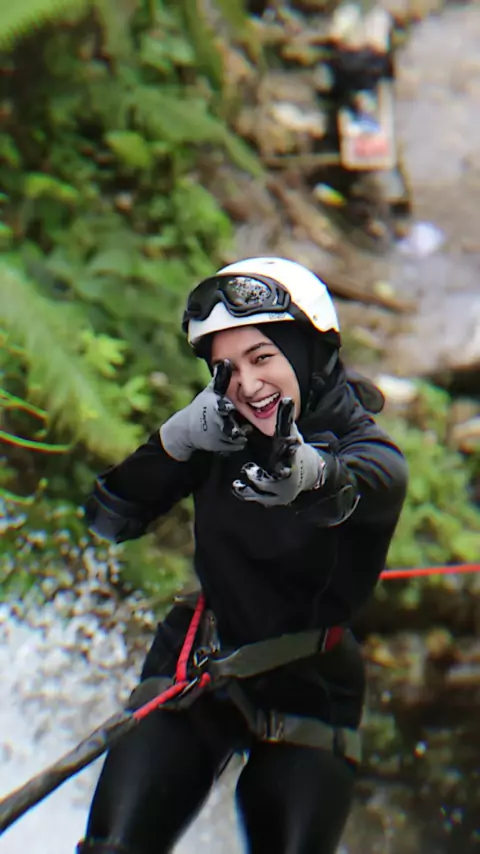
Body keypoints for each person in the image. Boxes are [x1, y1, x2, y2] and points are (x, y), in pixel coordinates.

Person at [78, 257, 408, 854]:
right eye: (226, 369)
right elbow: (109, 519)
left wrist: (303, 475)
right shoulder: (216, 431)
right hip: (199, 658)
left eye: (263, 358)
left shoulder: (374, 455)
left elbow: (347, 488)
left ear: (311, 353)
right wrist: (174, 442)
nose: (248, 384)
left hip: (312, 682)